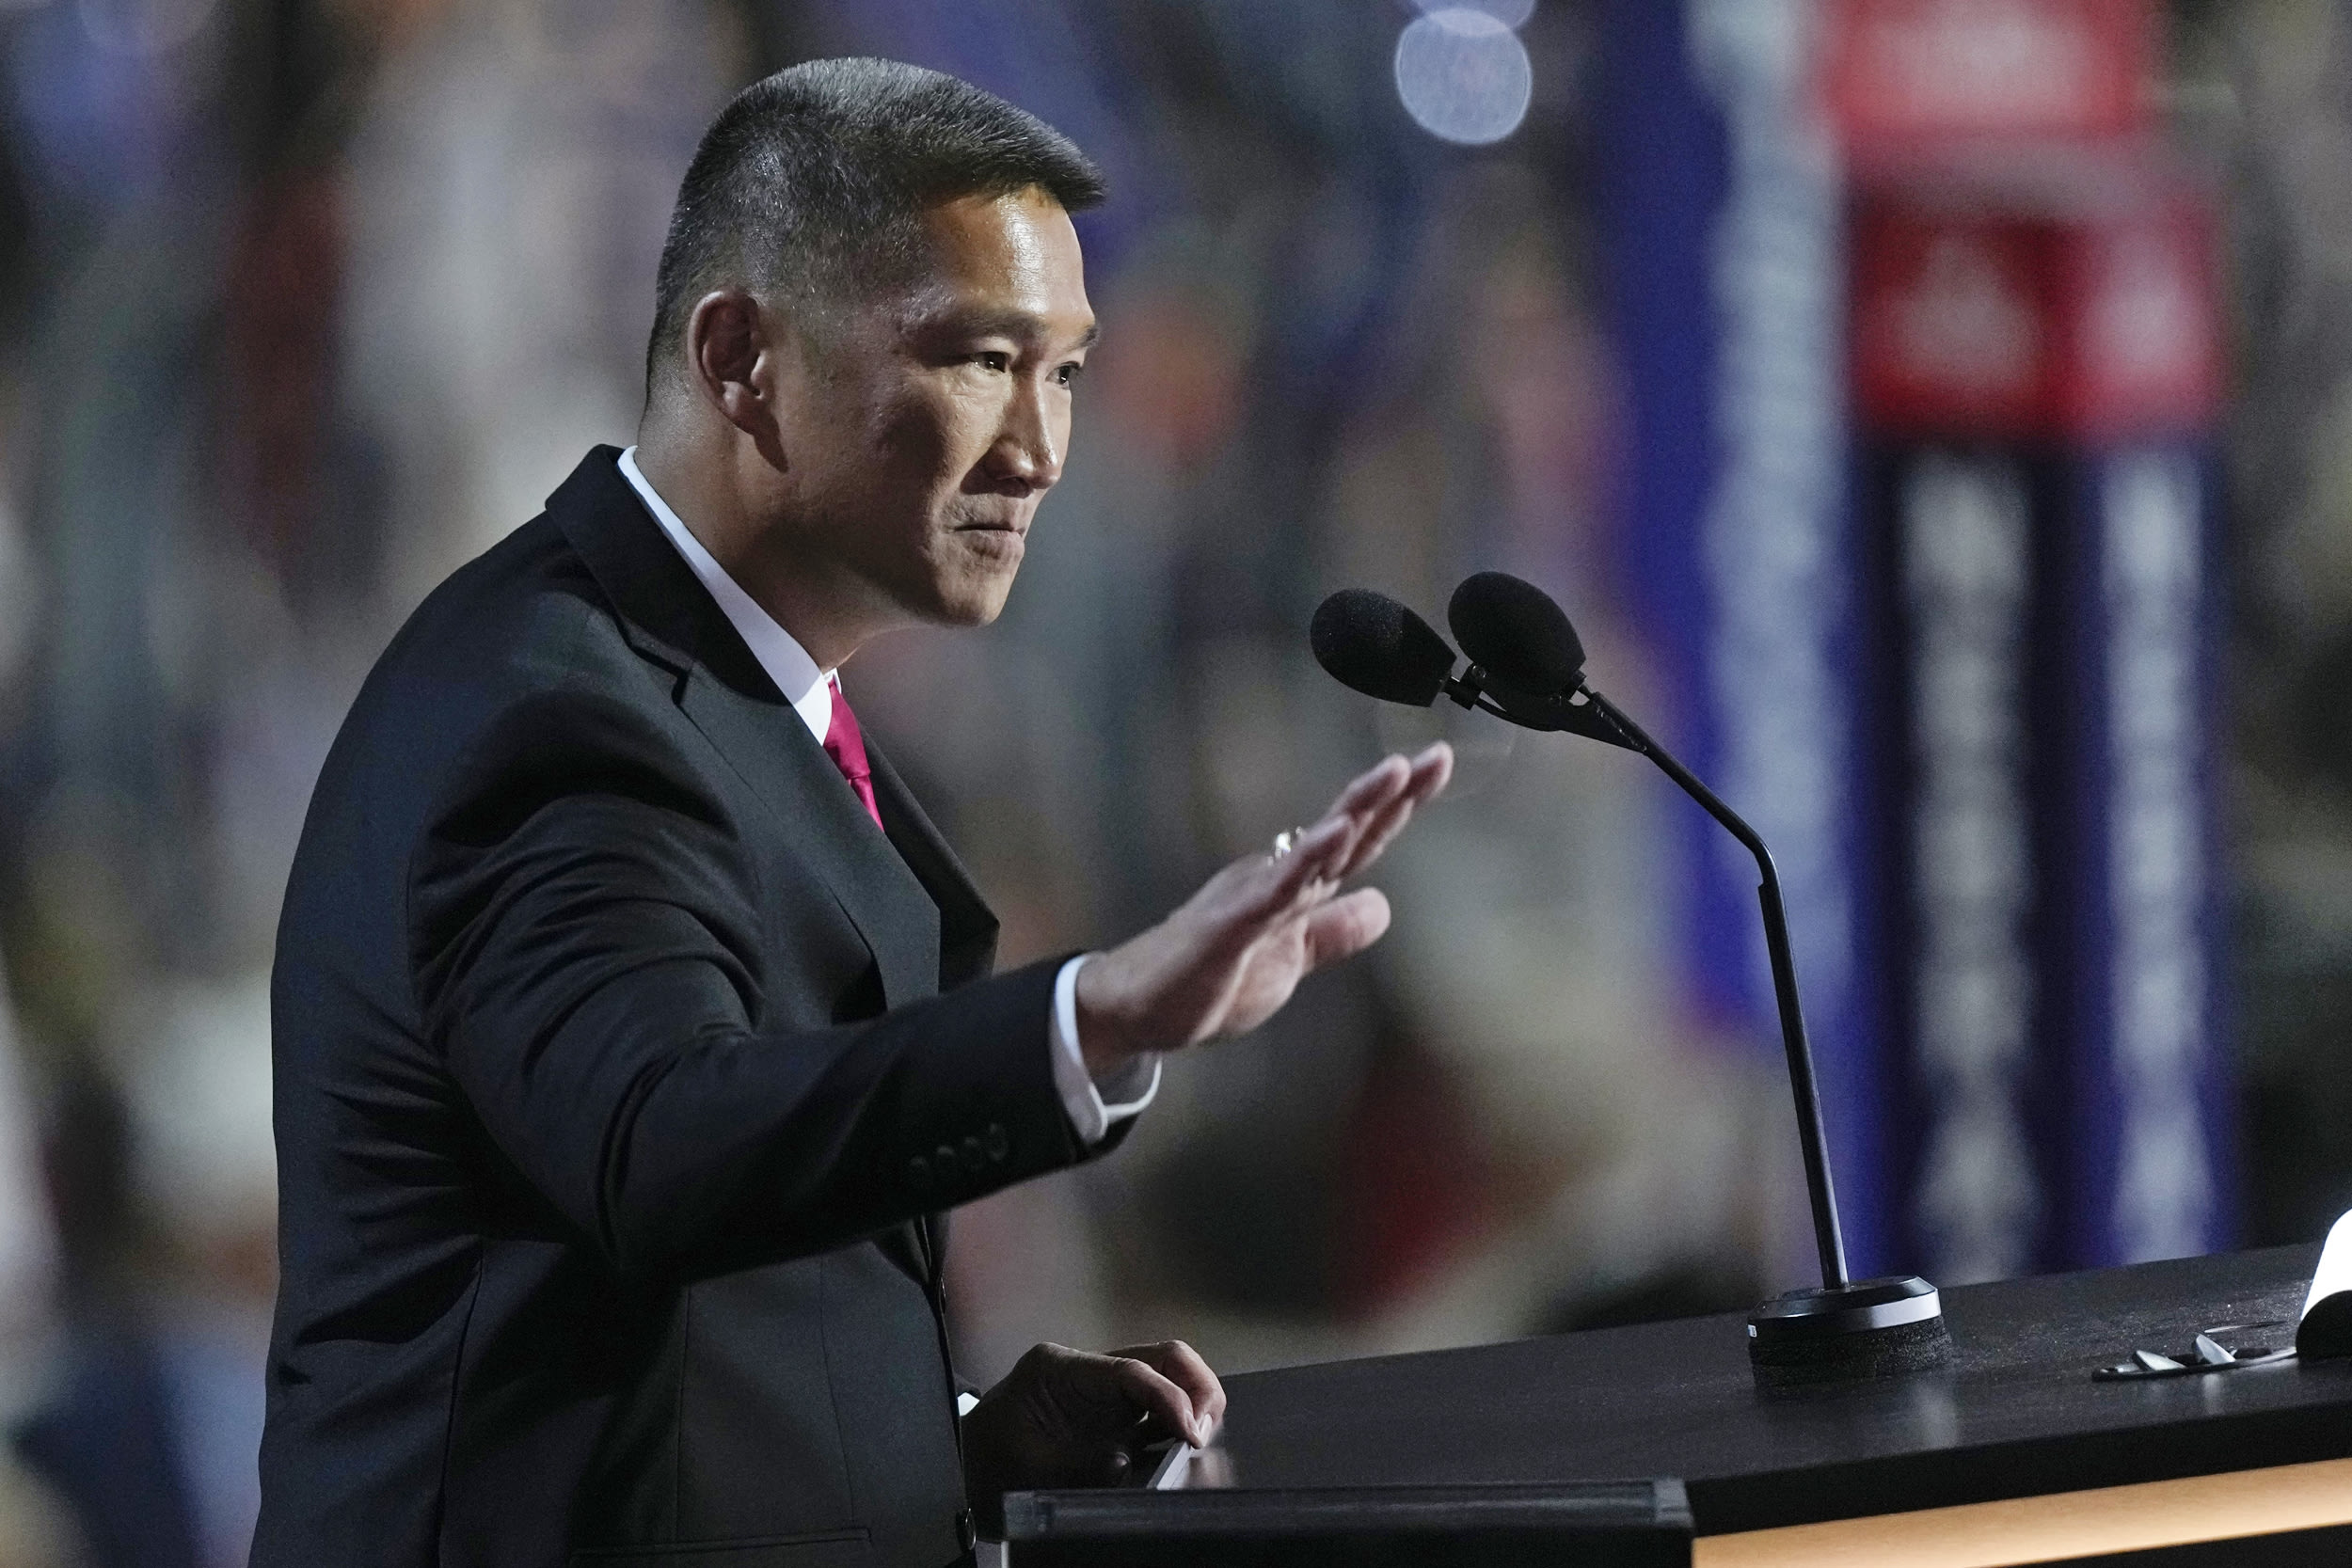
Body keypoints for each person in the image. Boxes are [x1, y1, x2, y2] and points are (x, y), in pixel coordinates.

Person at [253, 57, 1451, 1568]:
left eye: (1066, 370)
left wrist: (932, 1442)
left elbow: (670, 1329)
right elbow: (667, 1143)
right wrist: (1086, 1022)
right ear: (742, 359)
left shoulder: (729, 694)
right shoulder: (553, 717)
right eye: (975, 358)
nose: (1041, 450)